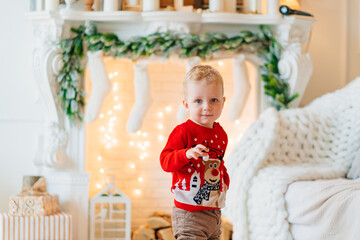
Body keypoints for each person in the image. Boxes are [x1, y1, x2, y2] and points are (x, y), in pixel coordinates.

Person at [160, 65, 230, 239]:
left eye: (213, 100)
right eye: (198, 101)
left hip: (214, 212)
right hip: (189, 213)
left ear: (223, 101)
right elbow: (165, 161)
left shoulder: (221, 134)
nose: (207, 107)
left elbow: (220, 163)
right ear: (186, 104)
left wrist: (225, 182)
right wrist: (186, 154)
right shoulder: (183, 131)